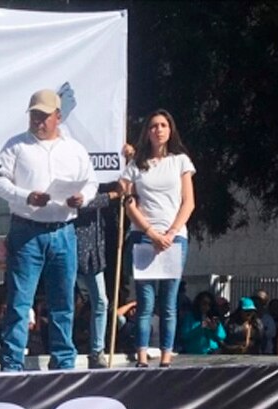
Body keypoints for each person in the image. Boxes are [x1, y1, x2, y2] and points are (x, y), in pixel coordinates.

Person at [0, 89, 98, 371]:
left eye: (44, 115)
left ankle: (63, 360)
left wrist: (82, 198)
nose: (38, 120)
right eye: (34, 115)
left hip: (64, 231)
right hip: (27, 231)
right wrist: (26, 196)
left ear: (58, 116)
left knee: (63, 301)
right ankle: (12, 363)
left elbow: (91, 182)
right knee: (19, 301)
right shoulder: (16, 146)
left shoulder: (74, 149)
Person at [120, 109, 195, 367]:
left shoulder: (180, 161)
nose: (158, 130)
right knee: (145, 300)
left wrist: (171, 233)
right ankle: (141, 354)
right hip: (144, 237)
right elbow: (128, 202)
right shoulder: (136, 165)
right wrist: (151, 232)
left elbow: (189, 202)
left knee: (169, 300)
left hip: (174, 238)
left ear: (170, 130)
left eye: (163, 125)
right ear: (147, 131)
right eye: (153, 126)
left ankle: (165, 356)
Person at [74, 184, 120, 368]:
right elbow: (81, 203)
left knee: (101, 301)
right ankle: (61, 349)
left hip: (94, 252)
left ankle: (97, 351)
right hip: (73, 246)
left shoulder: (99, 183)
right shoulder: (72, 177)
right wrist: (113, 194)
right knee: (66, 303)